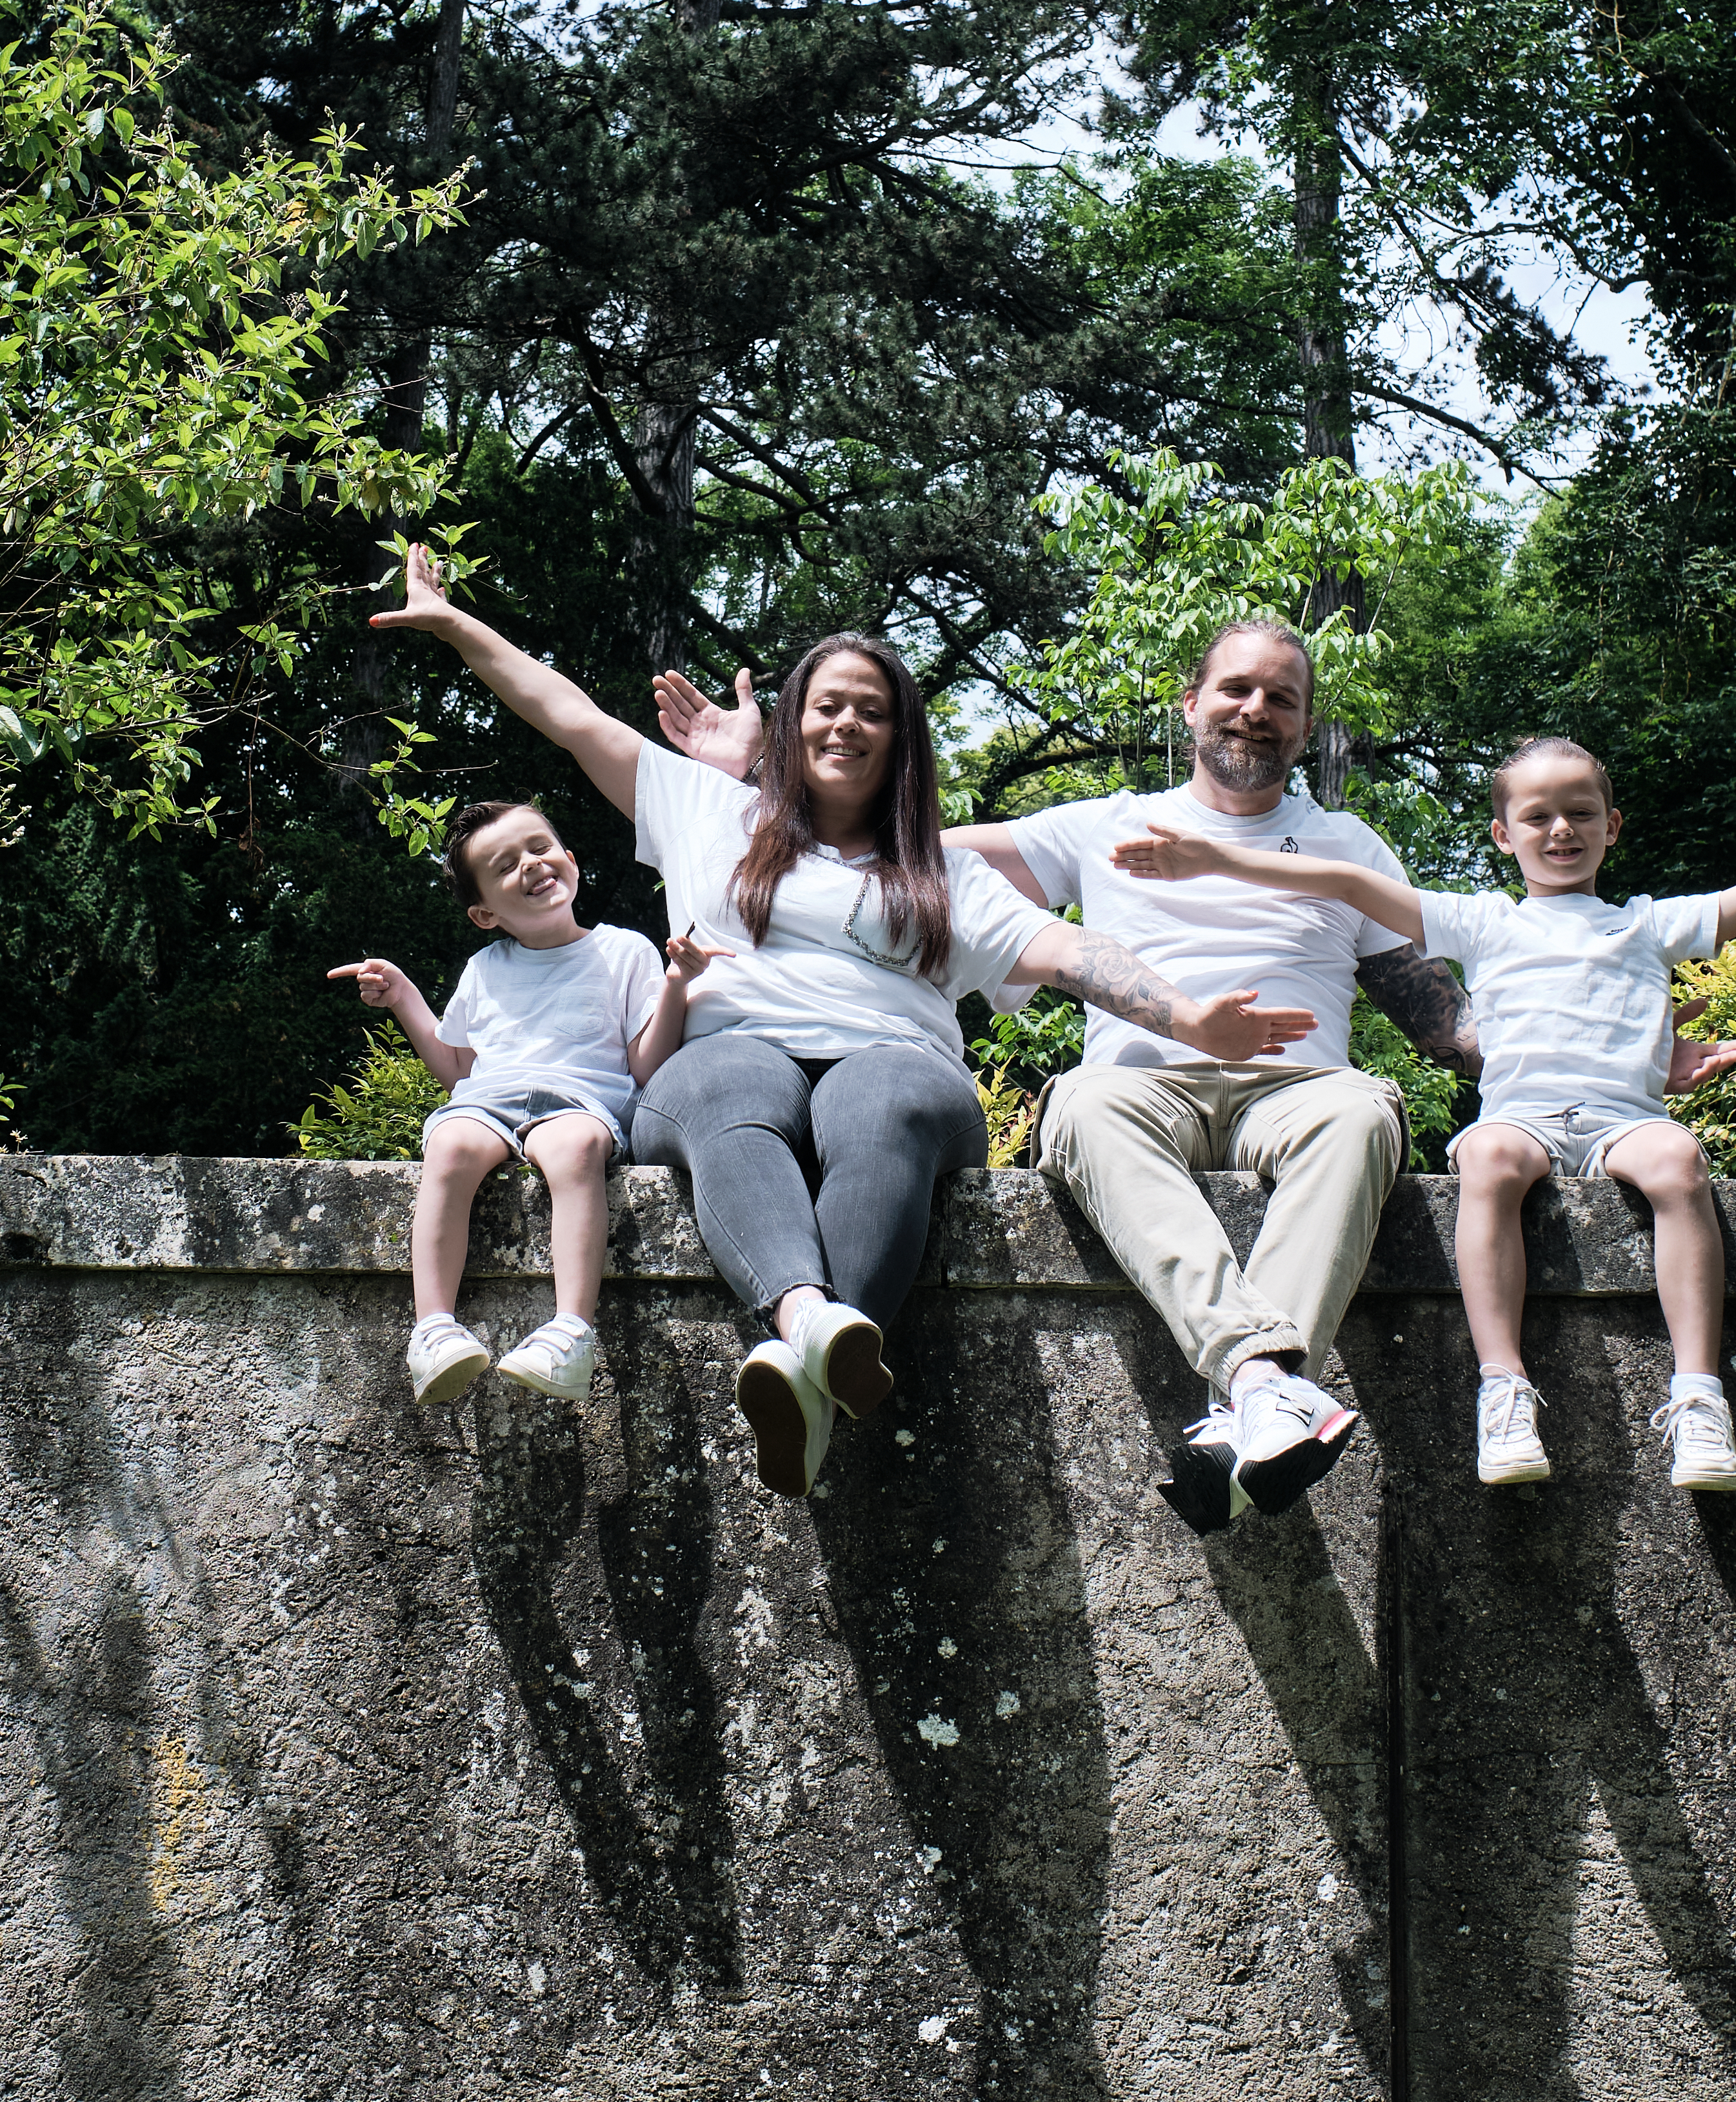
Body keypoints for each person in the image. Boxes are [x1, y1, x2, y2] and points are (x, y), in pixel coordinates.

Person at [372, 548, 1314, 1496]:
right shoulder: (711, 812)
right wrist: (456, 626)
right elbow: (566, 713)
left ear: (900, 739)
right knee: (723, 1078)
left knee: (880, 1090)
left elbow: (1073, 955)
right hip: (727, 1053)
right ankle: (813, 1330)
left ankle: (804, 1354)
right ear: (791, 725)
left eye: (871, 708)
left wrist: (1191, 1017)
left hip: (899, 1061)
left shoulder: (947, 877)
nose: (847, 723)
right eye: (826, 704)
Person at [1110, 728, 1736, 1494]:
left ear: (1611, 826)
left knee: (1677, 1164)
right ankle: (1503, 1391)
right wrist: (1209, 857)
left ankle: (1699, 1397)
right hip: (1526, 1116)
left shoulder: (1647, 923)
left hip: (1623, 1115)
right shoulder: (1484, 923)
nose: (1560, 830)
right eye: (1537, 817)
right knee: (1487, 1161)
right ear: (1502, 835)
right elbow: (1346, 886)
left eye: (1579, 813)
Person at [941, 619, 1439, 1530]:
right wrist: (756, 802)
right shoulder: (1104, 822)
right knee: (1079, 1106)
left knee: (1366, 1111)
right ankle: (1264, 1382)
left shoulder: (1347, 845)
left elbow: (1435, 1012)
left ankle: (1248, 1395)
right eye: (1236, 690)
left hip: (1298, 1091)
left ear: (1305, 725)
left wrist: (1605, 1054)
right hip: (1139, 1089)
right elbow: (914, 854)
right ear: (1191, 704)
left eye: (1280, 698)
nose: (1254, 711)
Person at [328, 796, 715, 1410]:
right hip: (488, 1099)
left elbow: (645, 1065)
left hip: (580, 1099)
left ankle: (571, 1331)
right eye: (506, 865)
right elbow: (457, 1068)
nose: (531, 865)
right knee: (451, 1146)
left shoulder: (624, 952)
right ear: (484, 912)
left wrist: (676, 987)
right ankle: (432, 1328)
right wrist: (403, 994)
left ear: (570, 860)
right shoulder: (484, 968)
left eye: (539, 848)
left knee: (575, 1145)